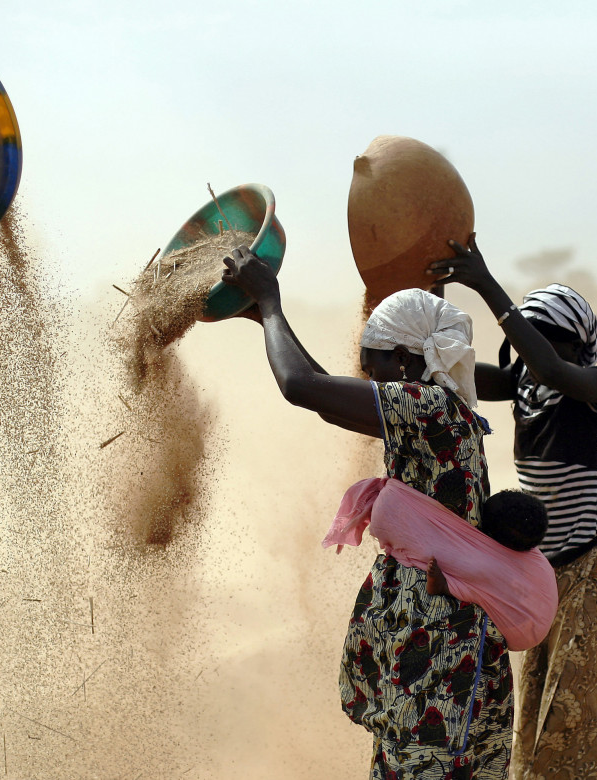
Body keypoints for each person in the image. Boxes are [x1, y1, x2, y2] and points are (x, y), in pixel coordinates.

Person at [222, 250, 512, 779]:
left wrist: (270, 305)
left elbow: (301, 388)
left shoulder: (430, 409)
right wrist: (264, 317)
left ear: (404, 361)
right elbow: (324, 398)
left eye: (372, 363)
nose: (367, 377)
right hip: (435, 640)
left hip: (441, 651)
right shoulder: (438, 411)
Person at [431, 237, 597, 780]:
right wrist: (431, 290)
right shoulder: (527, 383)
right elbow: (457, 378)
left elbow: (550, 368)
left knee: (581, 724)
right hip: (544, 574)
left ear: (575, 347)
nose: (528, 353)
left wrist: (487, 285)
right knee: (541, 716)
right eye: (527, 341)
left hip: (595, 573)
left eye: (544, 341)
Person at [324, 478, 557, 651]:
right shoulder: (530, 552)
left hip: (520, 630)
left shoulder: (484, 563)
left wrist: (444, 585)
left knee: (474, 579)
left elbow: (473, 576)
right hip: (537, 619)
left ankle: (444, 586)